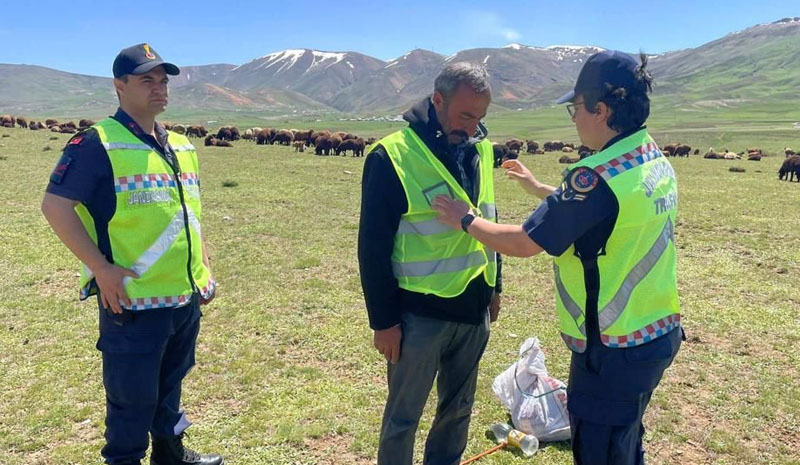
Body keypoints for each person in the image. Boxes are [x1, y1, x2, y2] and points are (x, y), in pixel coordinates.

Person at [433, 50, 683, 465]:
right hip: (655, 334)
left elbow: (523, 242)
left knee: (600, 450)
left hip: (611, 348)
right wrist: (541, 189)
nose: (574, 118)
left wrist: (467, 220)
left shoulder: (595, 179)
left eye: (575, 108)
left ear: (600, 110)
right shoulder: (648, 158)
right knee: (624, 440)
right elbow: (608, 214)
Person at [41, 43, 223, 465]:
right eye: (147, 80)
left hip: (183, 294)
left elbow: (186, 213)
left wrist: (204, 264)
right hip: (132, 299)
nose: (159, 89)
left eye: (163, 81)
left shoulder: (179, 143)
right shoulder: (96, 143)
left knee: (172, 383)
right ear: (119, 86)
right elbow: (55, 206)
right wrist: (99, 268)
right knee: (130, 400)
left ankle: (170, 454)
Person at [358, 62, 503, 465]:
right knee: (403, 418)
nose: (473, 128)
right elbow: (372, 247)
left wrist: (495, 286)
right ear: (437, 101)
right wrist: (383, 321)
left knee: (457, 411)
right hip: (417, 316)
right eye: (466, 116)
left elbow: (488, 215)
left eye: (481, 118)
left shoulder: (481, 148)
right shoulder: (393, 156)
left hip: (473, 308)